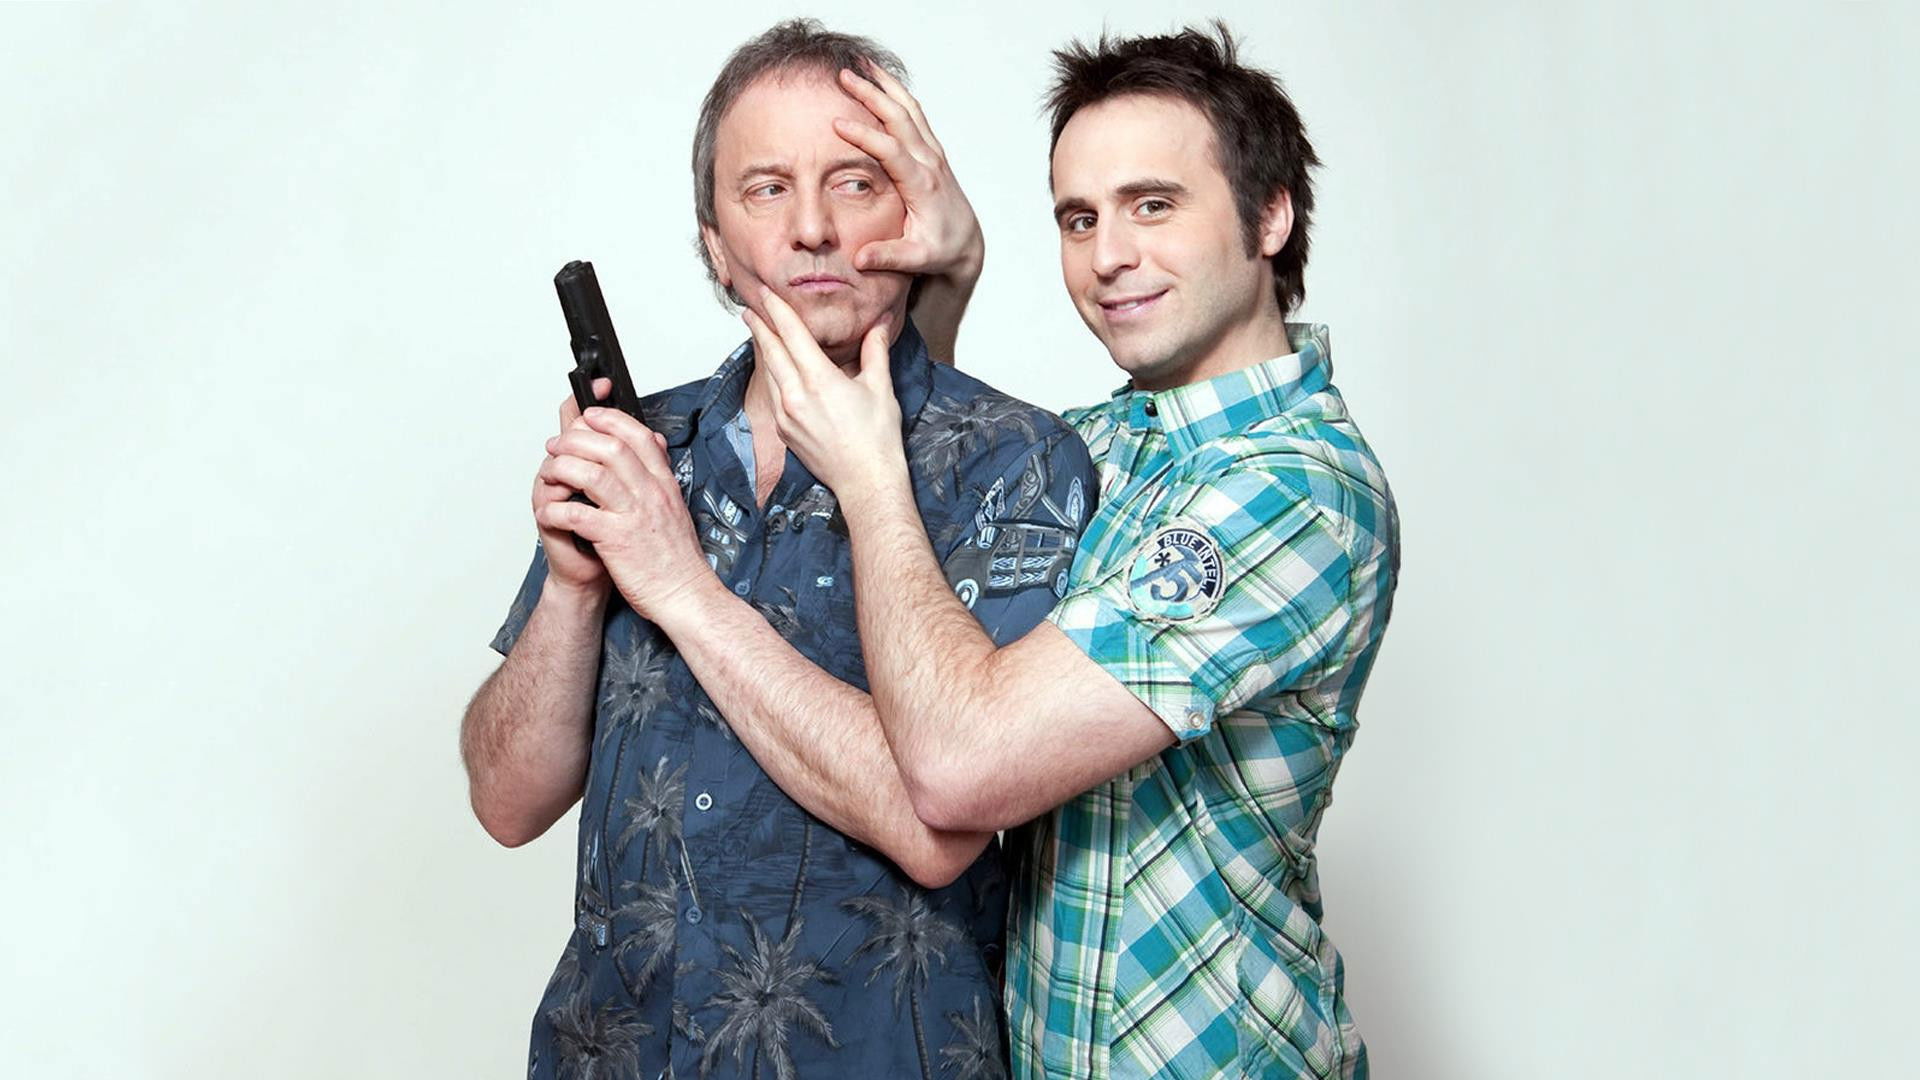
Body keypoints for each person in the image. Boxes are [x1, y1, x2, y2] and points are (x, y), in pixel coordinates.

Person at [750, 24, 1399, 1080]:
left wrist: (864, 484)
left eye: (1154, 205)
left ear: (1270, 216)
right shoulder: (1103, 444)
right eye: (1079, 218)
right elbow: (933, 540)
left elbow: (965, 766)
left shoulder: (1292, 492)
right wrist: (953, 276)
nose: (1107, 257)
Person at [459, 20, 1094, 1080]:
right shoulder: (644, 447)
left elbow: (937, 825)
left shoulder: (1016, 463)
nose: (812, 229)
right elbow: (504, 802)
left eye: (855, 183)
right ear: (715, 243)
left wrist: (680, 587)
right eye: (766, 189)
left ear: (912, 213)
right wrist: (572, 587)